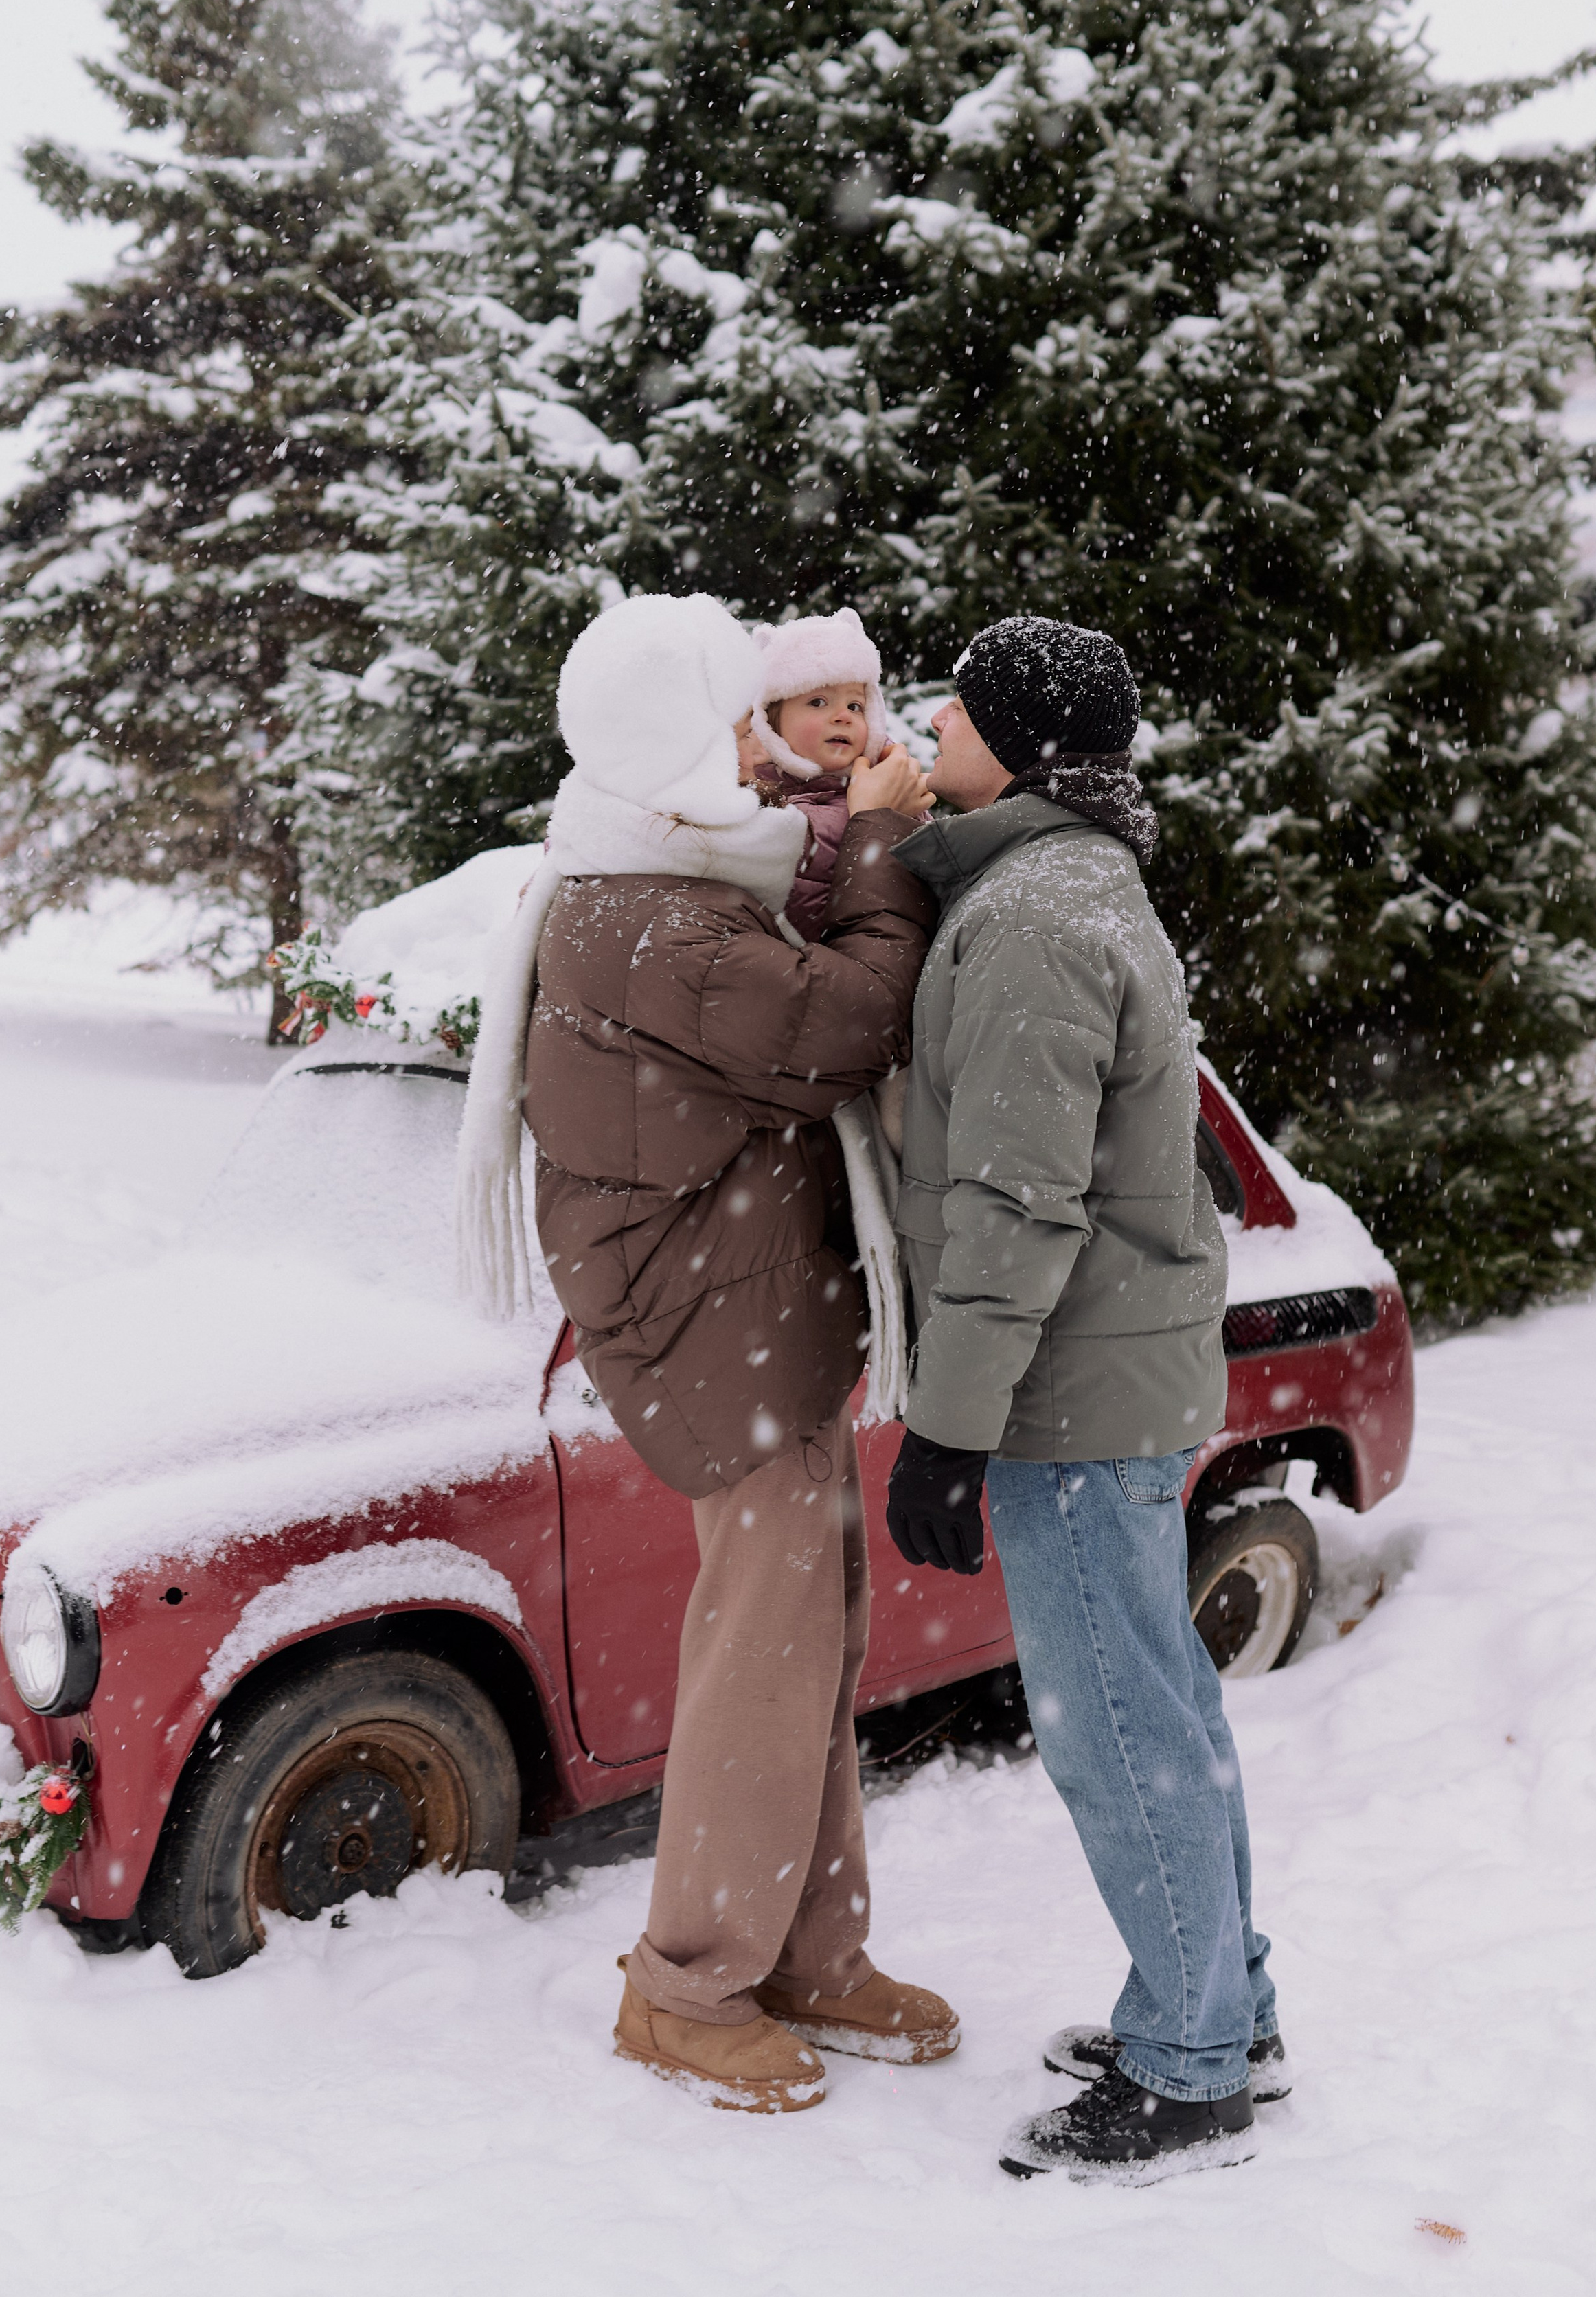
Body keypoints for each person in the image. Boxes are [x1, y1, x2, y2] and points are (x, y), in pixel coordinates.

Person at [459, 592, 957, 2114]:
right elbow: (847, 1024)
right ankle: (689, 1980)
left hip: (755, 1316)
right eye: (737, 722)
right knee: (765, 1653)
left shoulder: (661, 870)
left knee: (813, 1641)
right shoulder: (656, 920)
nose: (765, 748)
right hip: (716, 1332)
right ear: (670, 742)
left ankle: (806, 1949)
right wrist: (876, 840)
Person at [882, 613, 1281, 2182]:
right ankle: (1215, 2007)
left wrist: (946, 1418)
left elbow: (1014, 1201)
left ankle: (1188, 2069)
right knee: (1163, 1714)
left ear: (1016, 742)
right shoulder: (1059, 876)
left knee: (1116, 1727)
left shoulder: (1033, 915)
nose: (929, 724)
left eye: (955, 709)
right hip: (1119, 1365)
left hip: (1071, 1393)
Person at [743, 606, 929, 941]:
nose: (843, 716)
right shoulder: (753, 801)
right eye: (818, 702)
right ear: (770, 723)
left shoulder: (887, 785)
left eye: (855, 706)